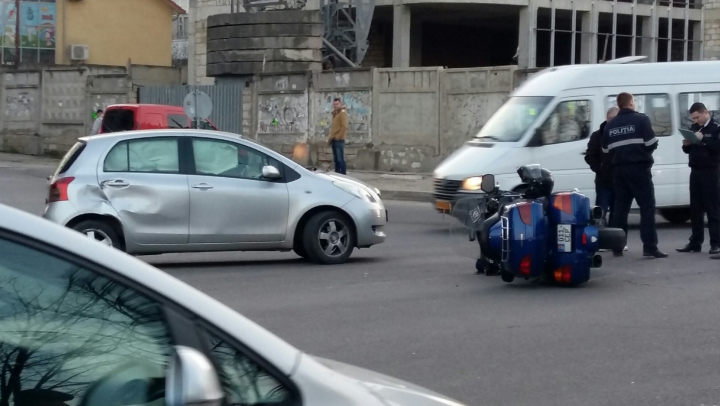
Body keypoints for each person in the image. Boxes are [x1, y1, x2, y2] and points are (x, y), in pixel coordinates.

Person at [602, 92, 668, 258]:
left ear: (619, 105)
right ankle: (649, 247)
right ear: (631, 103)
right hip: (639, 169)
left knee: (620, 209)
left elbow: (605, 150)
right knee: (646, 207)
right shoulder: (641, 119)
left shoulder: (610, 125)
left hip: (619, 171)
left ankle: (617, 246)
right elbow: (651, 143)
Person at [676, 102, 720, 254]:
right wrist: (687, 144)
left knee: (713, 209)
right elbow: (688, 150)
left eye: (697, 117)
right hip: (695, 171)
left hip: (711, 172)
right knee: (695, 209)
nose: (695, 120)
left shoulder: (716, 128)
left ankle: (716, 243)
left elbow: (717, 147)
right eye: (693, 118)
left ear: (705, 113)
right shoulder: (694, 128)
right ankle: (695, 242)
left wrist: (703, 140)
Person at [585, 106, 620, 226]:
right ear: (608, 118)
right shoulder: (597, 136)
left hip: (620, 181)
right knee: (600, 214)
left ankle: (616, 241)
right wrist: (600, 169)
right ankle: (602, 239)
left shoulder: (621, 134)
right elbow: (590, 156)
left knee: (618, 214)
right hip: (603, 183)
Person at [328, 98, 348, 175]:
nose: (335, 106)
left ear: (340, 104)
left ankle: (343, 174)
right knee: (336, 159)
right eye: (334, 104)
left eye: (337, 104)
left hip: (339, 140)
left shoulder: (342, 113)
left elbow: (344, 126)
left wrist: (338, 137)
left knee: (340, 159)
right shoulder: (335, 114)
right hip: (334, 139)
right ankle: (337, 174)